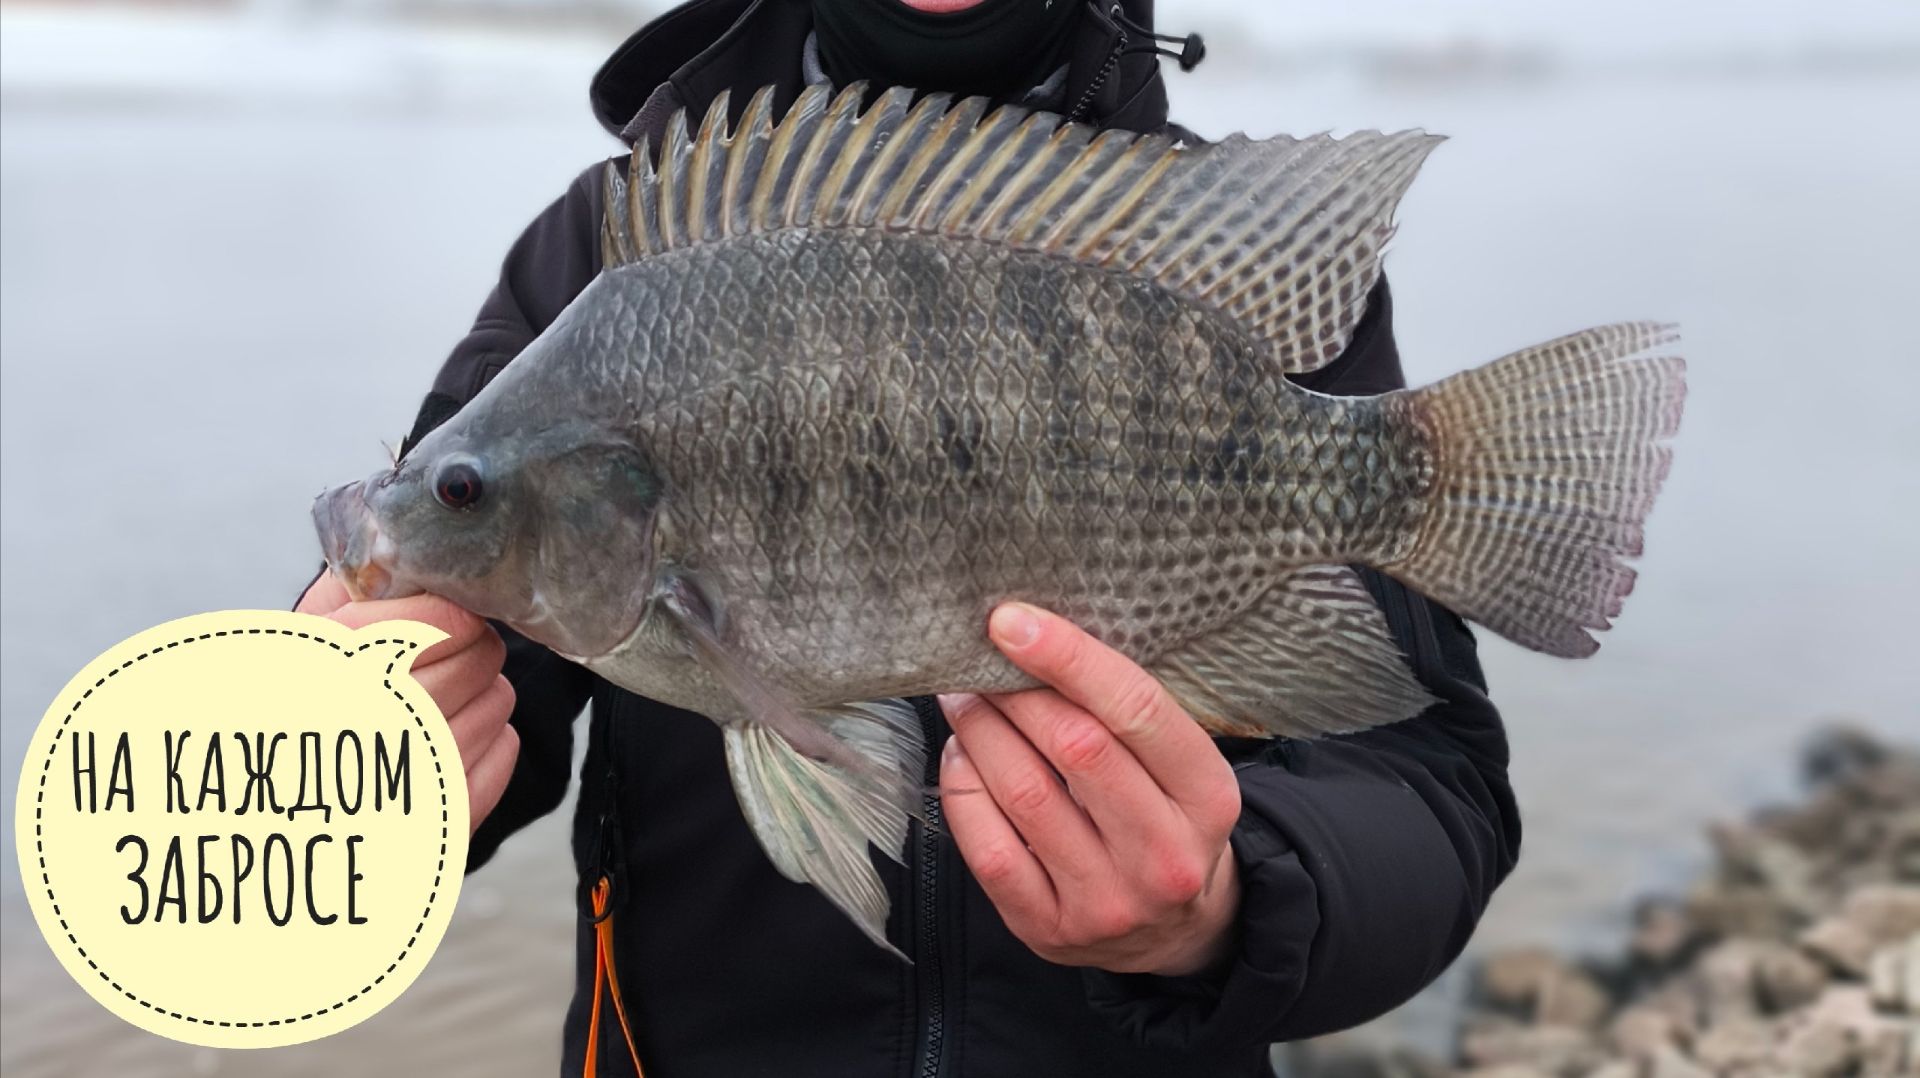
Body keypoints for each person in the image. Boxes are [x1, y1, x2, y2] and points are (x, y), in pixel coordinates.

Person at [297, 1, 1520, 1074]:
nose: (429, 506)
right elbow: (341, 780)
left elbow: (1428, 779)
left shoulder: (1191, 253)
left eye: (455, 494)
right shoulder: (608, 252)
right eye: (459, 494)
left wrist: (1226, 907)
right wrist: (347, 762)